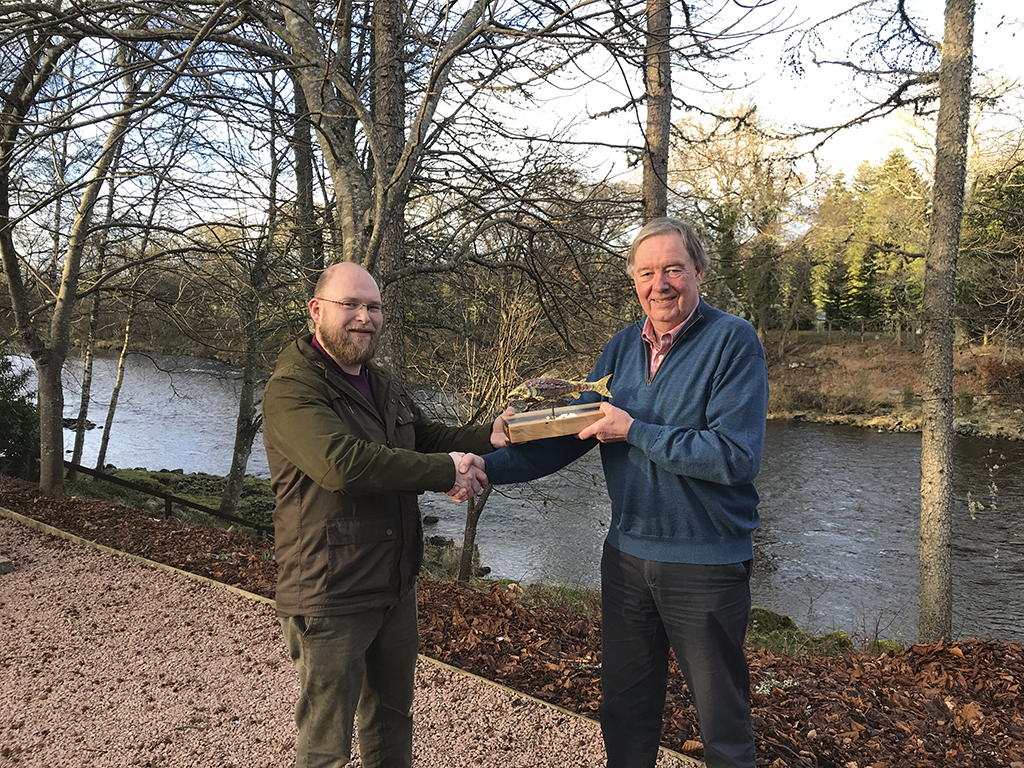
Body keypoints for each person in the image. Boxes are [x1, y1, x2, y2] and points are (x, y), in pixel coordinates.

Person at [477, 217, 768, 768]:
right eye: (647, 272)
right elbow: (574, 437)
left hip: (705, 562)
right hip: (627, 556)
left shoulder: (734, 341)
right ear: (634, 281)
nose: (660, 284)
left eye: (674, 269)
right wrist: (485, 466)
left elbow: (735, 456)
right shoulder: (619, 350)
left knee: (722, 723)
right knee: (625, 712)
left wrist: (635, 430)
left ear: (699, 272)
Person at [262, 262, 504, 768]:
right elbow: (342, 465)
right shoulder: (292, 388)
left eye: (372, 307)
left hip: (394, 582)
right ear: (316, 310)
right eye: (350, 305)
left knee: (392, 719)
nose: (363, 318)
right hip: (332, 589)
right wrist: (445, 472)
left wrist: (490, 436)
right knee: (327, 741)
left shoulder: (380, 381)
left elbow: (424, 437)